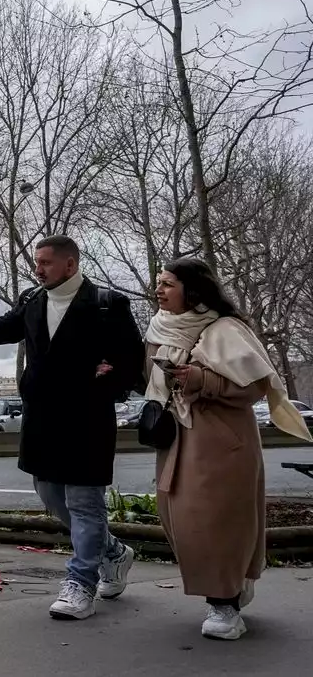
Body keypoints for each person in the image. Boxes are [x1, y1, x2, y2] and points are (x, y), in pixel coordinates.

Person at [0, 235, 144, 620]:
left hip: (88, 418)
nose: (37, 268)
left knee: (84, 502)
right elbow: (1, 330)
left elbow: (131, 360)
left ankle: (81, 583)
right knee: (51, 496)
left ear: (70, 264)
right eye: (36, 261)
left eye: (45, 262)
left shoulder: (107, 304)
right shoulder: (32, 299)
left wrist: (103, 384)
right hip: (42, 417)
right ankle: (113, 551)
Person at [145, 257, 312, 641]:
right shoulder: (159, 329)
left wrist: (202, 379)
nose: (159, 290)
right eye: (159, 283)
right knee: (179, 521)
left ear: (193, 289)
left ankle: (225, 603)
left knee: (215, 521)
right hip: (175, 439)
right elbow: (149, 380)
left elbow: (254, 385)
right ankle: (230, 585)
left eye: (168, 283)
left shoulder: (226, 329)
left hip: (220, 441)